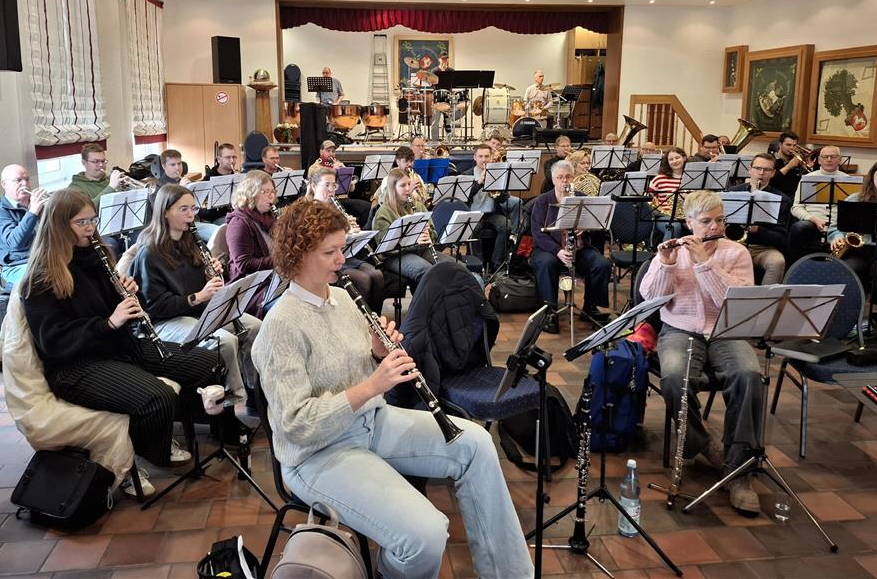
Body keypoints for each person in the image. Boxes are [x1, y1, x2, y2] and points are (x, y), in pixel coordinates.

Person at [251, 199, 533, 579]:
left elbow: (357, 370)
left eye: (342, 249)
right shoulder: (280, 326)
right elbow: (295, 424)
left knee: (477, 445)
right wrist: (373, 385)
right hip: (317, 454)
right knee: (425, 535)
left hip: (370, 422)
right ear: (297, 255)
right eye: (330, 252)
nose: (342, 260)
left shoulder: (341, 298)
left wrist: (377, 353)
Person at [20, 190, 219, 496]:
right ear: (59, 226)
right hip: (77, 366)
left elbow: (122, 312)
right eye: (81, 222)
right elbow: (54, 340)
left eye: (93, 220)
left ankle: (164, 431)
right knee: (158, 397)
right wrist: (109, 322)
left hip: (120, 346)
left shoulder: (96, 256)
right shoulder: (41, 278)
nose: (90, 227)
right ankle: (134, 457)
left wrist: (129, 295)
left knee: (206, 360)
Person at [639, 190, 763, 516]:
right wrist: (666, 264)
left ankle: (739, 471)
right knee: (674, 378)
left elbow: (735, 300)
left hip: (725, 330)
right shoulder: (673, 251)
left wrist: (705, 264)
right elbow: (650, 298)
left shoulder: (736, 252)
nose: (714, 227)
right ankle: (701, 442)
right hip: (679, 328)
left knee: (749, 375)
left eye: (719, 220)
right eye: (706, 221)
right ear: (689, 222)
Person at [129, 185, 261, 408]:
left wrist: (214, 272)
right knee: (225, 342)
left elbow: (209, 285)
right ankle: (233, 401)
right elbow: (157, 306)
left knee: (255, 327)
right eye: (183, 209)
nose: (191, 215)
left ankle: (255, 390)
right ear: (165, 212)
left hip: (199, 311)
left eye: (193, 208)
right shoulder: (149, 253)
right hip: (166, 321)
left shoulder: (192, 242)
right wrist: (199, 296)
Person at [530, 160, 612, 333]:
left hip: (578, 249)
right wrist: (558, 251)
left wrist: (587, 227)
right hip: (549, 249)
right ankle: (549, 311)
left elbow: (597, 227)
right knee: (546, 263)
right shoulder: (543, 201)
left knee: (602, 264)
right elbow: (538, 234)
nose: (564, 181)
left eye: (568, 177)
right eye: (560, 177)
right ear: (553, 180)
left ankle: (590, 307)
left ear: (573, 178)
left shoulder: (582, 198)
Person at [828, 157, 877, 345]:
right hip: (859, 252)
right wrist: (836, 237)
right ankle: (849, 322)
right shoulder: (856, 199)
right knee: (852, 267)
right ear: (872, 175)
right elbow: (835, 228)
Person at [307, 168, 385, 312]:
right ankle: (359, 318)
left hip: (346, 256)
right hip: (327, 260)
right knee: (364, 279)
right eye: (326, 185)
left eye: (333, 185)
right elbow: (317, 242)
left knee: (377, 275)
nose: (331, 190)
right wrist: (345, 232)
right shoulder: (309, 211)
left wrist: (352, 231)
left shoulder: (335, 208)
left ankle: (374, 319)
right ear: (313, 186)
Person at [373, 169, 454, 285]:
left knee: (453, 267)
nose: (408, 189)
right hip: (395, 256)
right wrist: (414, 242)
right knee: (427, 271)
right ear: (393, 189)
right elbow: (385, 249)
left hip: (421, 250)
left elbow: (434, 234)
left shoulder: (418, 207)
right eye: (402, 186)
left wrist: (429, 234)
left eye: (409, 184)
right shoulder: (383, 213)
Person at [724, 153, 790, 284]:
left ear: (773, 173)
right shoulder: (732, 192)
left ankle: (766, 296)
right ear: (750, 169)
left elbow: (781, 238)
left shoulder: (782, 199)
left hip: (762, 248)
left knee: (777, 261)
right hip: (734, 245)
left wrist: (758, 230)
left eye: (767, 169)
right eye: (757, 168)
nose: (761, 173)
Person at [225, 171, 277, 315]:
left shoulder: (269, 217)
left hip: (272, 277)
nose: (271, 196)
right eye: (265, 192)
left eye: (273, 192)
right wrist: (279, 260)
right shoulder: (239, 223)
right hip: (250, 288)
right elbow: (244, 265)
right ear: (250, 193)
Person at [0, 165, 49, 286]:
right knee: (47, 276)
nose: (24, 184)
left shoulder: (37, 205)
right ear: (4, 184)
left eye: (27, 179)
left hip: (43, 258)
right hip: (18, 265)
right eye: (18, 180)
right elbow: (15, 242)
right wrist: (33, 212)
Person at [463, 144, 522, 269]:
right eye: (480, 156)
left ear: (491, 158)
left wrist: (501, 191)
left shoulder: (497, 173)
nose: (483, 160)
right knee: (472, 229)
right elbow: (464, 197)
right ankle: (478, 265)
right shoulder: (466, 175)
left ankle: (497, 263)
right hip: (474, 213)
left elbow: (503, 199)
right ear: (474, 157)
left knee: (506, 226)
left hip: (492, 213)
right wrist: (480, 182)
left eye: (486, 156)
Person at [788, 145, 848, 261]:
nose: (829, 160)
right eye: (825, 157)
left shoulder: (848, 180)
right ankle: (794, 265)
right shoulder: (808, 178)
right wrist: (814, 220)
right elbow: (796, 208)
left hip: (837, 225)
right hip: (813, 222)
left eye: (833, 156)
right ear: (819, 160)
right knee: (798, 227)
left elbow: (851, 210)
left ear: (840, 159)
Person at [307, 140, 370, 222]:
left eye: (333, 151)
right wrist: (333, 169)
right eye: (328, 151)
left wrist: (347, 175)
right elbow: (314, 188)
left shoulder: (338, 163)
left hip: (342, 199)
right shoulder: (314, 167)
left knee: (366, 207)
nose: (331, 154)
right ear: (321, 152)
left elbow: (352, 189)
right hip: (325, 200)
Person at [649, 147, 688, 241]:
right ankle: (667, 250)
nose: (675, 161)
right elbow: (649, 200)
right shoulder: (659, 179)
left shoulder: (694, 178)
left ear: (684, 158)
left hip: (688, 215)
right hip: (665, 216)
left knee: (703, 226)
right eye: (671, 159)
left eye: (677, 157)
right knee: (674, 226)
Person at [199, 143, 239, 224]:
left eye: (234, 157)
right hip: (217, 216)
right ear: (218, 159)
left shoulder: (237, 176)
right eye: (228, 157)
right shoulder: (210, 178)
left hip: (234, 213)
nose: (232, 161)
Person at [769, 130, 808, 198]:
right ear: (780, 145)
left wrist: (805, 166)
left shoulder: (797, 160)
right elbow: (771, 181)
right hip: (777, 196)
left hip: (794, 196)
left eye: (794, 145)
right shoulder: (771, 160)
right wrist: (788, 167)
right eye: (788, 145)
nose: (792, 148)